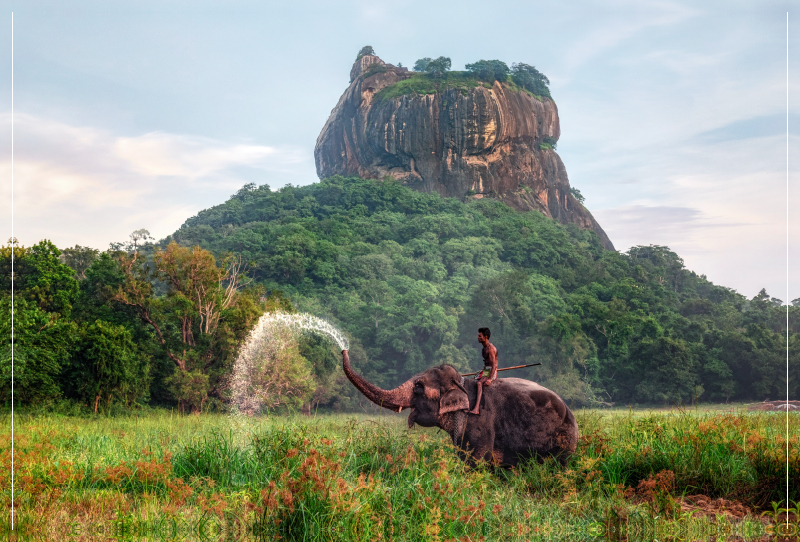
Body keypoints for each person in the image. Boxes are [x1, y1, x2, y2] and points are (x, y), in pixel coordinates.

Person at [470, 327, 497, 415]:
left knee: (479, 383)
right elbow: (487, 364)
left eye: (480, 336)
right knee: (473, 380)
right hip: (486, 370)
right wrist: (481, 372)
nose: (478, 338)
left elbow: (494, 365)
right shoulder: (484, 348)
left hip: (491, 371)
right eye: (478, 336)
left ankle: (476, 408)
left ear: (486, 337)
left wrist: (489, 379)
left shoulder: (490, 348)